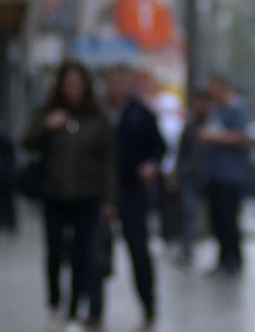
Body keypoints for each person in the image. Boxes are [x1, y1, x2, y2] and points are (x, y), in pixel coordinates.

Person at [25, 60, 117, 329]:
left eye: (77, 85)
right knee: (54, 252)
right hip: (54, 193)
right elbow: (28, 141)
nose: (72, 90)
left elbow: (108, 160)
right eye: (68, 85)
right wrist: (47, 125)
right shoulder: (48, 112)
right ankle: (54, 301)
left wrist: (110, 199)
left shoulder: (97, 119)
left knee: (81, 253)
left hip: (87, 194)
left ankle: (75, 307)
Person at [105, 65, 166, 327]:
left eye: (122, 80)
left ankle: (148, 302)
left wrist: (151, 165)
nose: (117, 86)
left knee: (139, 250)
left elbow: (159, 147)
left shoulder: (141, 114)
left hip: (132, 191)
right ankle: (93, 307)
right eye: (113, 80)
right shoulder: (98, 112)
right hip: (101, 192)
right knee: (93, 250)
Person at [197, 74, 251, 276]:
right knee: (217, 219)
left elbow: (241, 137)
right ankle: (222, 259)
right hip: (214, 173)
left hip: (231, 175)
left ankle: (233, 260)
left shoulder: (238, 108)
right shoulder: (216, 110)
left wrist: (214, 137)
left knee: (230, 219)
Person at [167, 92, 210, 268]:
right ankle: (187, 247)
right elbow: (181, 152)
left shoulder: (213, 124)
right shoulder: (190, 126)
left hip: (209, 176)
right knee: (188, 211)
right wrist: (177, 173)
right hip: (190, 175)